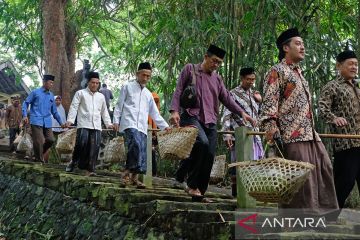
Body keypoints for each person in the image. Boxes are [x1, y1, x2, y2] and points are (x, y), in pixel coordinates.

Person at [259, 28, 338, 217]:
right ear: (286, 48)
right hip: (291, 134)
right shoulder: (276, 71)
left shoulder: (299, 73)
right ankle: (300, 219)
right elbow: (269, 102)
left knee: (324, 167)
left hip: (310, 132)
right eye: (298, 44)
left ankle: (323, 215)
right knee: (299, 178)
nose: (302, 47)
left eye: (303, 44)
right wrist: (271, 128)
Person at [169, 44, 255, 202]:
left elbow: (227, 98)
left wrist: (242, 112)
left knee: (209, 153)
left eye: (219, 63)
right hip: (190, 115)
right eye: (214, 61)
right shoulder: (190, 69)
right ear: (206, 57)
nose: (216, 65)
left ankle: (200, 191)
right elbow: (179, 90)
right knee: (201, 143)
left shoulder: (217, 78)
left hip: (210, 120)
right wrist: (174, 111)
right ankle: (191, 185)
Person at [113, 62, 170, 188]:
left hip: (142, 126)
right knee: (135, 145)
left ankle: (134, 178)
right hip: (129, 122)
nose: (145, 78)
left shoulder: (148, 94)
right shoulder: (127, 87)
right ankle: (126, 172)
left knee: (143, 152)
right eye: (143, 75)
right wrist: (115, 120)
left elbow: (155, 114)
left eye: (148, 76)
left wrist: (165, 126)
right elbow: (119, 105)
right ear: (137, 74)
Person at [319, 50, 360, 212]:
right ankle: (326, 218)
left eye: (356, 64)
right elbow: (322, 108)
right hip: (346, 143)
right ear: (339, 65)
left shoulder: (357, 87)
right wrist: (333, 118)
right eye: (350, 63)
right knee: (345, 182)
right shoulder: (332, 86)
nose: (354, 67)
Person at [221, 67, 264, 197]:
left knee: (255, 163)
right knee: (238, 163)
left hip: (254, 135)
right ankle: (236, 194)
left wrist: (260, 101)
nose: (251, 82)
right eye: (248, 79)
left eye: (253, 79)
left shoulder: (254, 94)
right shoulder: (233, 93)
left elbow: (258, 115)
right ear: (241, 78)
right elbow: (226, 114)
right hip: (238, 133)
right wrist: (227, 133)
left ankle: (251, 193)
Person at [65, 72, 113, 176]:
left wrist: (108, 124)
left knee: (95, 147)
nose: (95, 85)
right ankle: (73, 162)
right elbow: (74, 107)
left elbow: (104, 111)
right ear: (88, 82)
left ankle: (90, 170)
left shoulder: (101, 97)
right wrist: (70, 120)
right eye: (93, 82)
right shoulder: (80, 93)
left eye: (97, 83)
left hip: (96, 125)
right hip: (84, 124)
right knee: (81, 143)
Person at [22, 74, 65, 163]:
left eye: (53, 83)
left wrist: (61, 123)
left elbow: (55, 112)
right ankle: (39, 160)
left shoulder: (51, 95)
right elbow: (25, 103)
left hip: (47, 122)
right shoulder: (35, 92)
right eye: (50, 82)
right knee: (39, 141)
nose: (52, 85)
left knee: (51, 140)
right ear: (44, 82)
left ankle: (36, 154)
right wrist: (25, 115)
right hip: (36, 120)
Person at [43, 95, 67, 162]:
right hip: (50, 130)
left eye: (59, 100)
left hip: (59, 131)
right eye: (56, 100)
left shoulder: (62, 109)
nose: (58, 101)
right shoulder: (49, 108)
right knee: (50, 146)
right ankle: (47, 160)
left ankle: (56, 161)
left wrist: (64, 129)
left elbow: (63, 119)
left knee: (57, 146)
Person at [148, 92, 161, 176]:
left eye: (156, 102)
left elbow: (159, 125)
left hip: (153, 136)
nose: (155, 104)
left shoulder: (157, 113)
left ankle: (153, 172)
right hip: (146, 135)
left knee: (152, 152)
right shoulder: (146, 111)